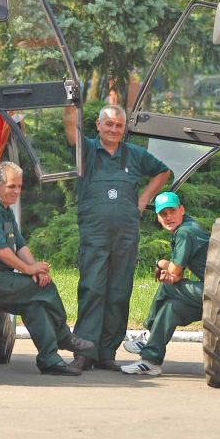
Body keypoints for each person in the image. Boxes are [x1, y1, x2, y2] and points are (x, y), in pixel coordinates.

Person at [63, 105, 171, 370]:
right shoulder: (87, 150)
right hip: (95, 232)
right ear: (98, 126)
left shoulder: (133, 154)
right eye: (108, 124)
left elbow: (163, 171)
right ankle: (84, 353)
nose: (113, 129)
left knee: (119, 291)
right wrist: (69, 100)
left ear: (124, 129)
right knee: (92, 288)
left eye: (118, 125)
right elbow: (70, 129)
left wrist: (144, 198)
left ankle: (106, 354)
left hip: (126, 233)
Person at [0, 161, 94, 376]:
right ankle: (64, 336)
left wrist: (36, 270)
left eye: (19, 187)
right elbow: (0, 251)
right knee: (44, 290)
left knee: (34, 305)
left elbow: (21, 245)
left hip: (5, 279)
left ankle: (49, 359)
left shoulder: (6, 211)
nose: (17, 191)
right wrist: (28, 269)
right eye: (11, 186)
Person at [119, 191, 210, 376]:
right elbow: (177, 273)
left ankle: (148, 334)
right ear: (158, 218)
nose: (168, 217)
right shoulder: (187, 227)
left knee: (168, 286)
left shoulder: (185, 231)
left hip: (215, 293)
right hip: (208, 291)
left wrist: (160, 263)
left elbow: (175, 273)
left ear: (181, 210)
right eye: (163, 214)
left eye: (172, 211)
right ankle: (151, 361)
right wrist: (171, 273)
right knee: (171, 308)